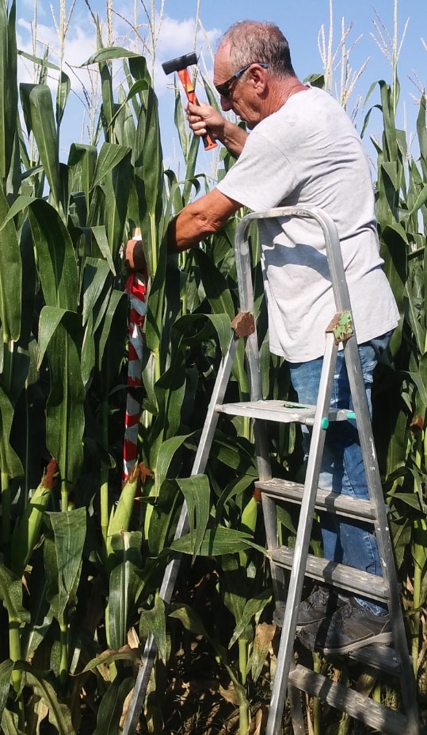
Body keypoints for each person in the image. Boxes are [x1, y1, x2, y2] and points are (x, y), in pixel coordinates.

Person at [127, 20, 400, 653]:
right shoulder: (311, 114)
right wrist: (227, 131)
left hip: (339, 326)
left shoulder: (289, 128)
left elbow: (202, 218)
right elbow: (276, 164)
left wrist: (142, 251)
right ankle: (333, 593)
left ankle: (369, 612)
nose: (224, 104)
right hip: (326, 326)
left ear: (257, 77)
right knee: (324, 463)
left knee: (342, 468)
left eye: (227, 92)